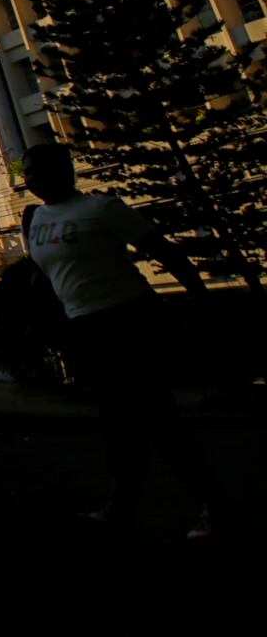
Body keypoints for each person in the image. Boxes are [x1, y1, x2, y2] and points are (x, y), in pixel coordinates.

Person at [17, 142, 228, 538]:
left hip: (130, 318)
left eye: (36, 169)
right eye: (26, 171)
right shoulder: (34, 218)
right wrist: (34, 319)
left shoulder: (101, 208)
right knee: (119, 421)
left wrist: (201, 301)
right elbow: (42, 274)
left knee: (157, 417)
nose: (29, 178)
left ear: (64, 170)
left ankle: (211, 505)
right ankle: (122, 506)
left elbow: (165, 252)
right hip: (86, 325)